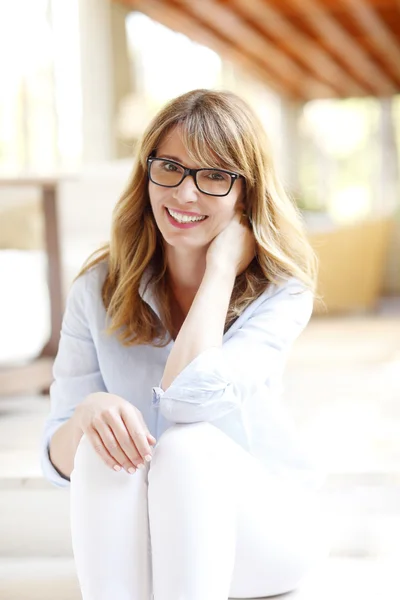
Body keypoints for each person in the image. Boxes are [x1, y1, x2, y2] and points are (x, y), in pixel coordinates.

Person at [40, 89, 331, 600]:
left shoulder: (281, 291)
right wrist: (88, 415)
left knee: (187, 447)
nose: (185, 194)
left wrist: (220, 272)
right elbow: (59, 461)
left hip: (263, 535)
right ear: (147, 171)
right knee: (103, 443)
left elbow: (187, 398)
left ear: (247, 193)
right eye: (170, 167)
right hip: (150, 542)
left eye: (215, 176)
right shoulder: (97, 288)